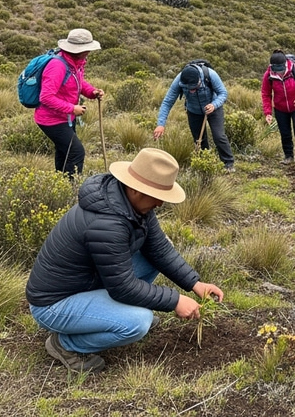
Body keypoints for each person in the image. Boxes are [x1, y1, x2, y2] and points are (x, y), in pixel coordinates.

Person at [26, 147, 225, 374]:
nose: (160, 204)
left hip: (86, 283)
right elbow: (122, 288)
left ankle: (108, 315)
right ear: (135, 189)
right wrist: (175, 301)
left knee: (152, 257)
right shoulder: (107, 223)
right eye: (158, 197)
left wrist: (195, 284)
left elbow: (159, 250)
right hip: (53, 304)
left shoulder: (132, 205)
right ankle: (65, 344)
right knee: (138, 322)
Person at [35, 28, 105, 177]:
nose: (89, 53)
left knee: (64, 151)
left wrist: (92, 92)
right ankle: (70, 189)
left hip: (65, 118)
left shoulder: (76, 63)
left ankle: (60, 182)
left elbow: (77, 83)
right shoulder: (57, 66)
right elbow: (46, 97)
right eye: (87, 50)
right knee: (76, 152)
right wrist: (72, 108)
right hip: (51, 120)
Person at [153, 62, 235, 172]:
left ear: (199, 80)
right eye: (189, 88)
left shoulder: (210, 74)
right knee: (199, 140)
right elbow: (167, 102)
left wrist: (214, 105)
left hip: (213, 108)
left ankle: (228, 164)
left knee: (219, 136)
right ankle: (205, 164)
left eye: (194, 87)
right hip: (194, 111)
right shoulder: (179, 80)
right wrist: (160, 124)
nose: (191, 90)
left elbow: (223, 93)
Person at [262, 50, 295, 164]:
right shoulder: (269, 75)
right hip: (280, 108)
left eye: (281, 70)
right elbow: (266, 94)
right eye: (277, 71)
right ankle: (288, 156)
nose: (279, 73)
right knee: (285, 133)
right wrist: (268, 112)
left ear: (285, 64)